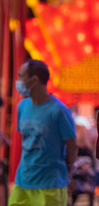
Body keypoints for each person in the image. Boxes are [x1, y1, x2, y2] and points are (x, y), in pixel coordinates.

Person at [9, 59, 77, 206]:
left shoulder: (59, 110)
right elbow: (25, 141)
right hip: (23, 181)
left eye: (21, 76)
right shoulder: (22, 107)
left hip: (50, 184)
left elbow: (71, 144)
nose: (18, 81)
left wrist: (69, 173)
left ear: (34, 80)